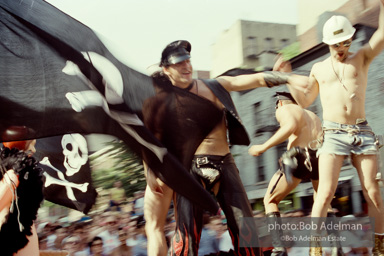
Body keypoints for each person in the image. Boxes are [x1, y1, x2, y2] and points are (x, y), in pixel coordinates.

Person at [143, 40, 308, 255]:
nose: (186, 67)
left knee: (247, 234)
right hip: (191, 170)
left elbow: (250, 79)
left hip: (224, 164)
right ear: (166, 69)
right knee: (186, 241)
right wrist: (150, 172)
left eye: (188, 61)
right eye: (178, 64)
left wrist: (287, 77)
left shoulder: (213, 85)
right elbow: (148, 138)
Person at [287, 2, 384, 255]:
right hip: (332, 134)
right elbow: (305, 100)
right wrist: (287, 79)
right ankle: (315, 248)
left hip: (362, 133)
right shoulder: (318, 68)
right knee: (325, 192)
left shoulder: (361, 57)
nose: (341, 49)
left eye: (345, 43)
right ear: (327, 43)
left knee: (373, 192)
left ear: (350, 40)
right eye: (336, 44)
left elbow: (381, 34)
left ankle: (380, 247)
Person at [249, 91, 343, 256]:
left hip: (299, 156)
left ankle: (279, 249)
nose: (276, 110)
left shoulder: (285, 109)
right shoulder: (313, 116)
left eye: (276, 106)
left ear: (280, 102)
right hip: (319, 158)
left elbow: (290, 126)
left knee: (269, 200)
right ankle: (337, 248)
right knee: (323, 202)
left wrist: (263, 147)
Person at [0, 126, 44, 256]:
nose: (34, 150)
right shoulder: (13, 176)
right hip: (13, 237)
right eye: (31, 145)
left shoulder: (17, 174)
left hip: (22, 235)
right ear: (21, 145)